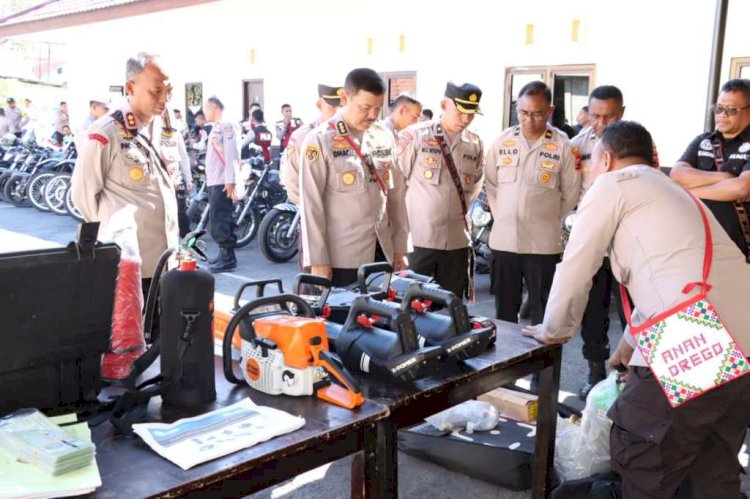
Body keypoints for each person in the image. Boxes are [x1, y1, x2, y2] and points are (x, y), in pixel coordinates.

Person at [523, 120, 750, 499]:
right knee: (713, 468)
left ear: (607, 159)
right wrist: (626, 349)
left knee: (646, 460)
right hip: (741, 340)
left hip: (696, 336)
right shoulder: (671, 191)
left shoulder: (614, 184)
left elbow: (578, 262)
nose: (591, 173)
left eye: (591, 164)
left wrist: (553, 329)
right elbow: (670, 281)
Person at [71, 51, 179, 299]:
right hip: (130, 265)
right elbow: (83, 193)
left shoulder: (164, 125)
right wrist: (114, 235)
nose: (164, 99)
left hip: (165, 259)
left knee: (162, 331)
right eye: (156, 91)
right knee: (129, 336)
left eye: (168, 91)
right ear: (131, 87)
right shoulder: (107, 131)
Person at [299, 67, 409, 286]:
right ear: (344, 98)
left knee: (381, 318)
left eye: (377, 109)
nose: (371, 115)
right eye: (365, 107)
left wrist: (401, 247)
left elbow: (396, 196)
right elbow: (311, 205)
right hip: (342, 257)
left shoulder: (383, 137)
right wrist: (318, 261)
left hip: (381, 253)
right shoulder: (319, 140)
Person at [485, 80, 580, 326]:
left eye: (537, 114)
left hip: (542, 244)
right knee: (505, 312)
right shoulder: (501, 142)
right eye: (523, 113)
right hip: (504, 241)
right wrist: (503, 215)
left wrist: (544, 217)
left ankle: (543, 364)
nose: (529, 120)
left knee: (543, 312)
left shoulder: (562, 145)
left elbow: (570, 192)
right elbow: (491, 185)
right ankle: (505, 361)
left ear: (549, 112)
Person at [395, 82, 483, 298]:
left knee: (450, 307)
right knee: (412, 305)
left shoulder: (474, 144)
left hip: (456, 241)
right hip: (418, 239)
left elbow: (474, 188)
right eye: (460, 112)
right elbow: (396, 185)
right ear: (444, 105)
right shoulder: (416, 136)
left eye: (471, 114)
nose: (465, 119)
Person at [571, 85, 628, 398]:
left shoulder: (635, 144)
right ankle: (595, 372)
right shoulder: (575, 146)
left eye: (609, 116)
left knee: (629, 315)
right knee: (593, 314)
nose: (602, 123)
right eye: (596, 116)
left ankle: (627, 377)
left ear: (621, 113)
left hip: (624, 246)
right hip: (592, 243)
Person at [671, 78, 750, 262]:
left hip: (739, 248)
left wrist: (689, 191)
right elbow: (677, 175)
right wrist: (726, 177)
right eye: (719, 108)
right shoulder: (703, 140)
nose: (722, 115)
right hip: (698, 244)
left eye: (731, 110)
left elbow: (741, 188)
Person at [280, 84, 343, 206]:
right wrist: (311, 208)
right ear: (319, 105)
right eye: (333, 106)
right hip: (316, 208)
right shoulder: (303, 135)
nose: (338, 112)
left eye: (341, 106)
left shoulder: (351, 133)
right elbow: (292, 179)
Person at [203, 96, 240, 273]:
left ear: (213, 107)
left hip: (222, 180)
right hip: (214, 179)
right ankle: (222, 252)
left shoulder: (227, 125)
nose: (204, 112)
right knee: (216, 218)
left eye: (206, 108)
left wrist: (231, 178)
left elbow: (232, 153)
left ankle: (228, 257)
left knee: (222, 218)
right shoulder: (216, 127)